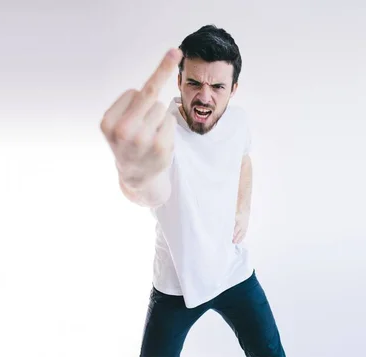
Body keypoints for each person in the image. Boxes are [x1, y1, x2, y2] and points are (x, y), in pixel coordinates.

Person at [100, 25, 286, 357]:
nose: (204, 96)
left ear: (234, 89)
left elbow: (244, 160)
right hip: (176, 286)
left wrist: (243, 209)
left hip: (234, 273)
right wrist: (134, 175)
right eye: (194, 83)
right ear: (178, 82)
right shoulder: (161, 133)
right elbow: (149, 190)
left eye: (217, 86)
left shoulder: (239, 122)